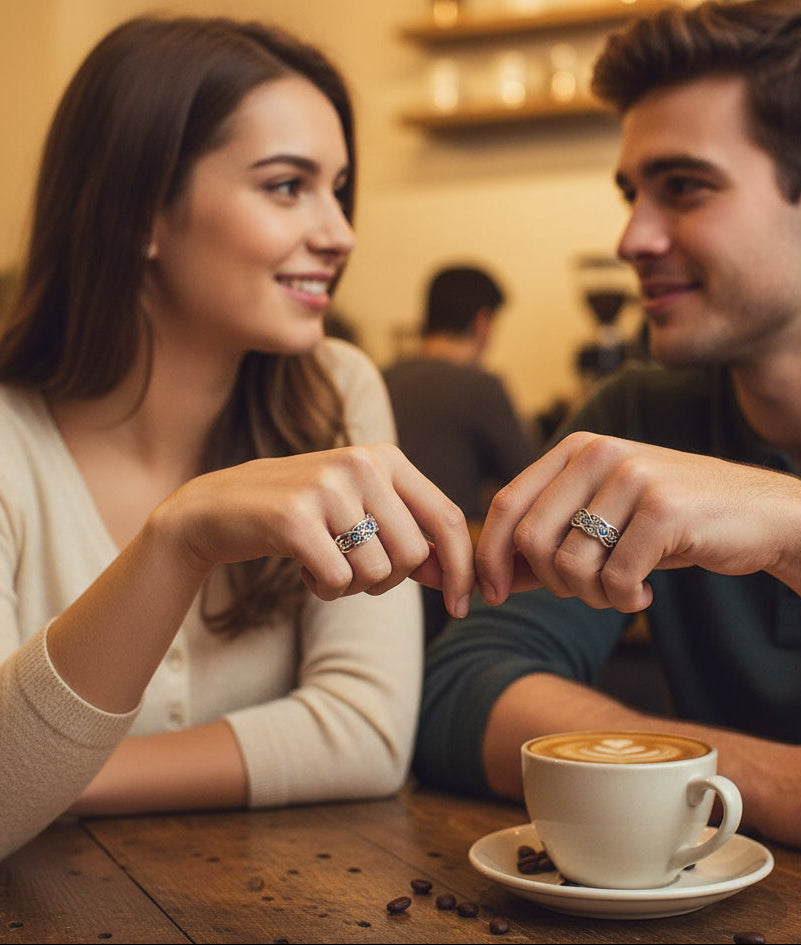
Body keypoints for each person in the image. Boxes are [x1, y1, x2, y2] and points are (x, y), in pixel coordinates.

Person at [416, 0, 801, 864]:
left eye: (684, 187)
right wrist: (759, 777)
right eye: (631, 194)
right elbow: (459, 693)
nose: (632, 237)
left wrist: (795, 523)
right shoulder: (636, 418)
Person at [0, 15, 476, 862]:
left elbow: (365, 732)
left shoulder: (337, 390)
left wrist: (64, 775)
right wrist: (176, 537)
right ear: (136, 212)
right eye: (287, 186)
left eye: (339, 187)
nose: (339, 232)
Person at [383, 264, 538, 641]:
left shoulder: (379, 377)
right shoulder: (480, 386)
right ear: (483, 322)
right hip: (442, 582)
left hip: (377, 573)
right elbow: (528, 481)